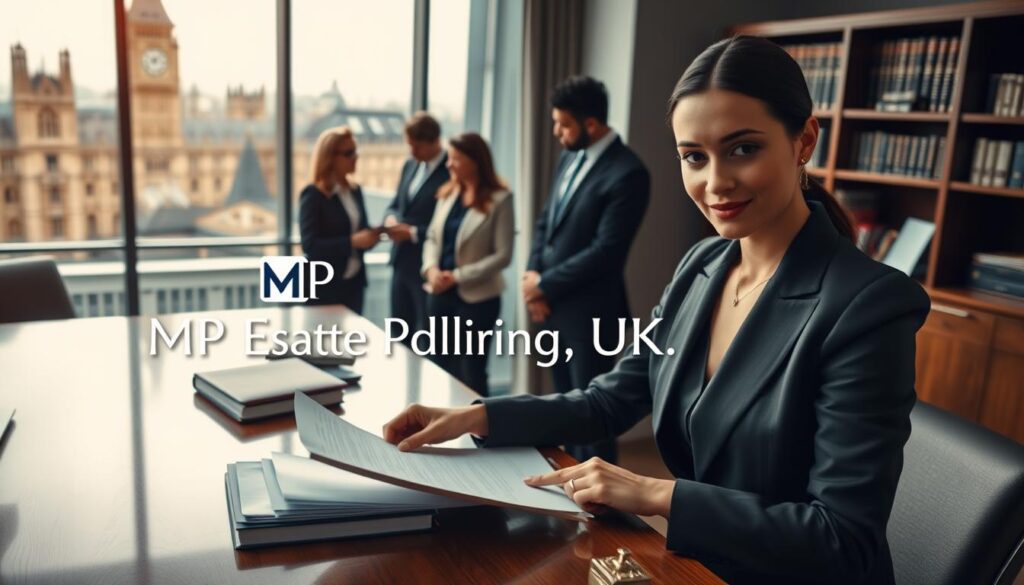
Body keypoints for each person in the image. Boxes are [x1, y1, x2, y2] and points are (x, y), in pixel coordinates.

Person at [383, 36, 930, 585]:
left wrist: (656, 493)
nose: (715, 183)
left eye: (743, 148)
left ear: (804, 139)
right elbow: (610, 399)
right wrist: (478, 416)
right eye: (695, 156)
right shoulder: (702, 266)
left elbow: (844, 542)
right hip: (696, 566)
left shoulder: (868, 306)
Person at [521, 75, 650, 465]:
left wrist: (544, 284)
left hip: (592, 314)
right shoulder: (569, 157)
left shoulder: (629, 172)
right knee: (564, 415)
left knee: (592, 419)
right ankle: (570, 496)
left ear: (591, 124)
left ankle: (602, 512)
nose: (557, 132)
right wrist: (532, 281)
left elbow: (607, 252)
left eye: (563, 124)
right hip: (554, 306)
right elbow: (547, 222)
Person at [421, 132, 513, 397]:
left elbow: (503, 255)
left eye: (456, 159)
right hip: (439, 294)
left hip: (478, 299)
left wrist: (458, 276)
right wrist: (431, 270)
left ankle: (479, 436)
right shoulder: (447, 194)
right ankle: (441, 433)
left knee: (471, 373)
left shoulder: (501, 199)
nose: (448, 165)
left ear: (475, 161)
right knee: (438, 367)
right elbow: (431, 238)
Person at [298, 126, 379, 313]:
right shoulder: (313, 195)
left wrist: (375, 235)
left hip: (353, 284)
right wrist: (351, 242)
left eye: (356, 151)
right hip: (323, 287)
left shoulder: (354, 190)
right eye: (349, 153)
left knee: (351, 341)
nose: (356, 157)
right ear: (330, 157)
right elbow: (310, 246)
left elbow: (360, 230)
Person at [384, 112, 450, 337]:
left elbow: (448, 226)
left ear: (435, 141)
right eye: (409, 145)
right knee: (399, 332)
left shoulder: (451, 172)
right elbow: (396, 204)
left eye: (417, 146)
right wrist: (391, 218)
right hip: (401, 262)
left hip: (427, 266)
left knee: (427, 336)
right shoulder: (410, 165)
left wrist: (412, 233)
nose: (411, 151)